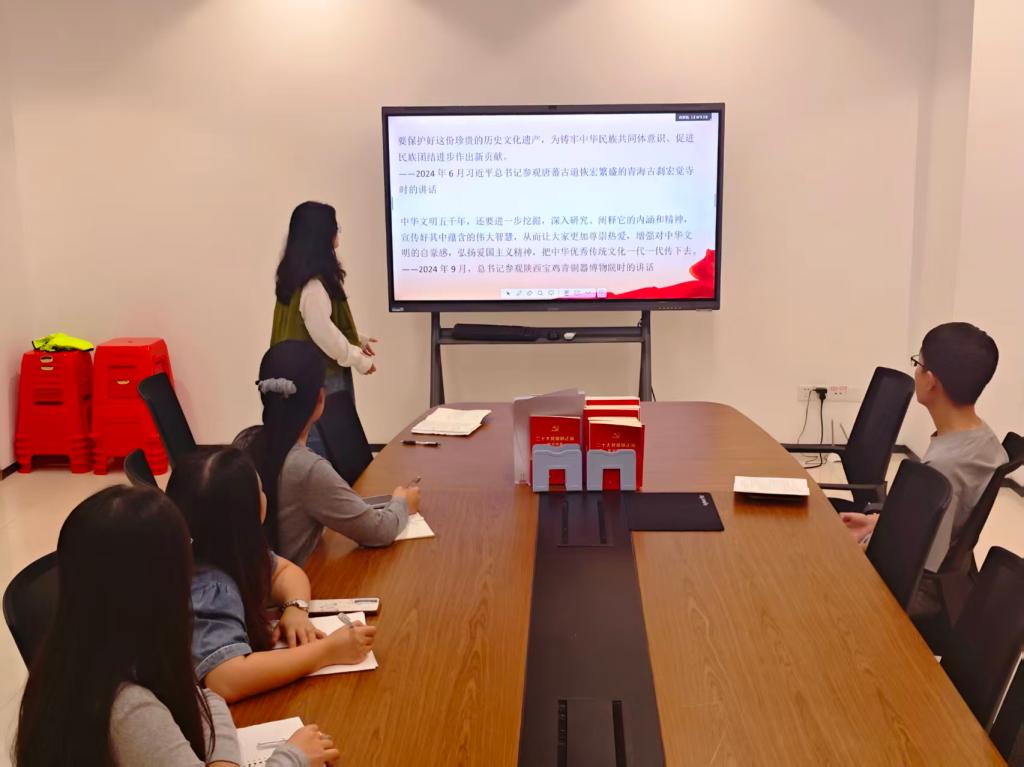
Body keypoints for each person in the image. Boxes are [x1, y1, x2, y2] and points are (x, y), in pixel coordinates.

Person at [13, 484, 338, 766]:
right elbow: (208, 699)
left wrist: (221, 754)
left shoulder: (86, 651)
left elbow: (207, 698)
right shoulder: (128, 707)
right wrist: (293, 757)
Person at [166, 447, 376, 703]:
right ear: (249, 515)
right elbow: (226, 679)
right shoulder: (209, 586)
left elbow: (285, 572)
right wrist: (328, 651)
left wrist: (295, 609)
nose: (265, 496)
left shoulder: (227, 549)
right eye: (261, 491)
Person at [841, 322, 1007, 619]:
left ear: (931, 381)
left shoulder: (944, 468)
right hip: (946, 581)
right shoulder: (983, 441)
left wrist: (859, 547)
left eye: (918, 364)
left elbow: (918, 561)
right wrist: (878, 523)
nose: (915, 371)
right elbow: (933, 526)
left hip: (915, 592)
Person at [241, 339, 418, 565]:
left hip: (259, 581)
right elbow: (379, 531)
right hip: (303, 581)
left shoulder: (245, 442)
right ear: (320, 397)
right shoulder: (307, 468)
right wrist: (403, 503)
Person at [272, 201, 377, 458]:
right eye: (335, 226)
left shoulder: (294, 278)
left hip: (297, 374)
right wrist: (359, 360)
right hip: (318, 378)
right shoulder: (313, 286)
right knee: (324, 446)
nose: (337, 232)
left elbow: (318, 324)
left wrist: (357, 338)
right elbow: (325, 336)